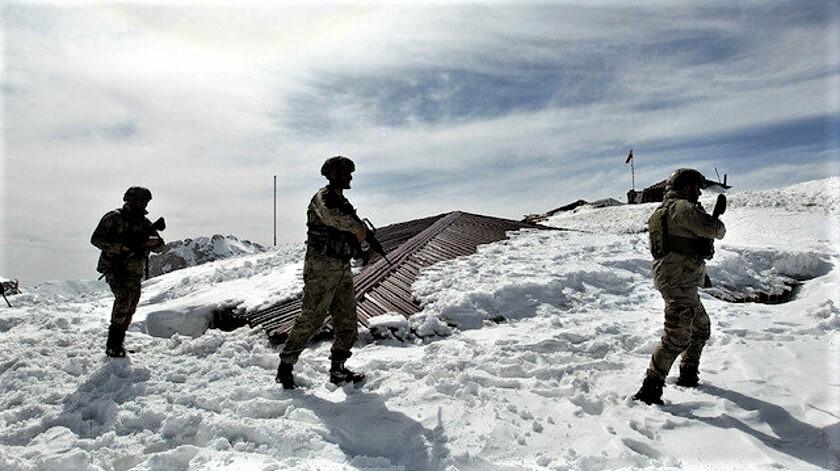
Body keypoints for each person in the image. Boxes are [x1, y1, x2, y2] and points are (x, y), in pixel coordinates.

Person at [634, 168, 726, 405]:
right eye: (696, 188)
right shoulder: (682, 208)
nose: (698, 193)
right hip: (679, 280)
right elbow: (715, 230)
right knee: (676, 336)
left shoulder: (662, 211)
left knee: (701, 328)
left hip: (679, 279)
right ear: (686, 187)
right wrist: (715, 223)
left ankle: (688, 373)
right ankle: (650, 388)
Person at [276, 156, 369, 389]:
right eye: (346, 172)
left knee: (347, 322)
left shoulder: (344, 203)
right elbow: (332, 218)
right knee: (312, 318)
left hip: (341, 268)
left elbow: (347, 234)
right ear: (333, 174)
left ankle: (338, 370)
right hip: (321, 268)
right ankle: (285, 366)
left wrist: (360, 248)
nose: (350, 177)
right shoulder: (323, 198)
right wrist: (357, 228)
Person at [91, 186, 165, 357]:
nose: (143, 203)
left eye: (145, 201)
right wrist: (122, 246)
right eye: (140, 200)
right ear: (129, 199)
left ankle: (119, 343)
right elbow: (96, 239)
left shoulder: (145, 223)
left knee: (131, 306)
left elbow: (160, 246)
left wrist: (151, 242)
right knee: (123, 300)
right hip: (115, 267)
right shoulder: (114, 218)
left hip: (134, 271)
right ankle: (113, 345)